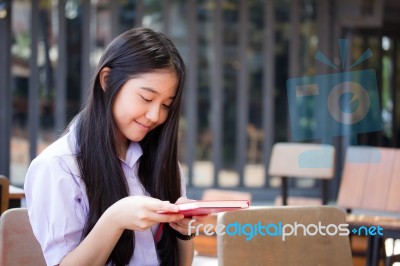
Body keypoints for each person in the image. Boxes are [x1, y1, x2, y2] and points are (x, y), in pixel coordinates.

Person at [24, 27, 202, 266]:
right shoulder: (57, 167)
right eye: (147, 98)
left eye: (166, 105)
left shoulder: (162, 160)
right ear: (107, 80)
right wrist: (115, 219)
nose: (155, 115)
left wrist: (184, 230)